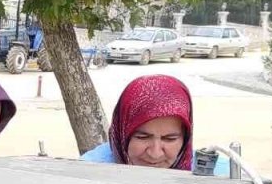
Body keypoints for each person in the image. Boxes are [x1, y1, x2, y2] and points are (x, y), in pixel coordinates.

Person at [81, 74, 230, 174]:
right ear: (122, 132)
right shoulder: (89, 172)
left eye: (170, 139)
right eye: (142, 137)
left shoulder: (218, 178)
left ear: (185, 139)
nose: (155, 153)